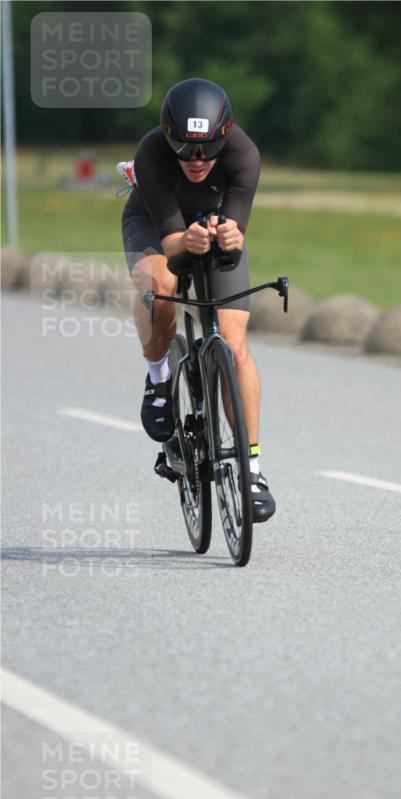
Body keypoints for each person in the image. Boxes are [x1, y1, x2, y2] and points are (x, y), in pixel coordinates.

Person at [121, 77, 275, 522]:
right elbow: (172, 248)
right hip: (156, 225)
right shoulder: (151, 153)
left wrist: (231, 234)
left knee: (236, 345)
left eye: (208, 149)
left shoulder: (245, 155)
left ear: (224, 136)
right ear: (168, 138)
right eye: (186, 150)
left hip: (212, 226)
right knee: (161, 290)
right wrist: (184, 238)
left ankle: (252, 471)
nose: (198, 160)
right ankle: (158, 377)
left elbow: (236, 238)